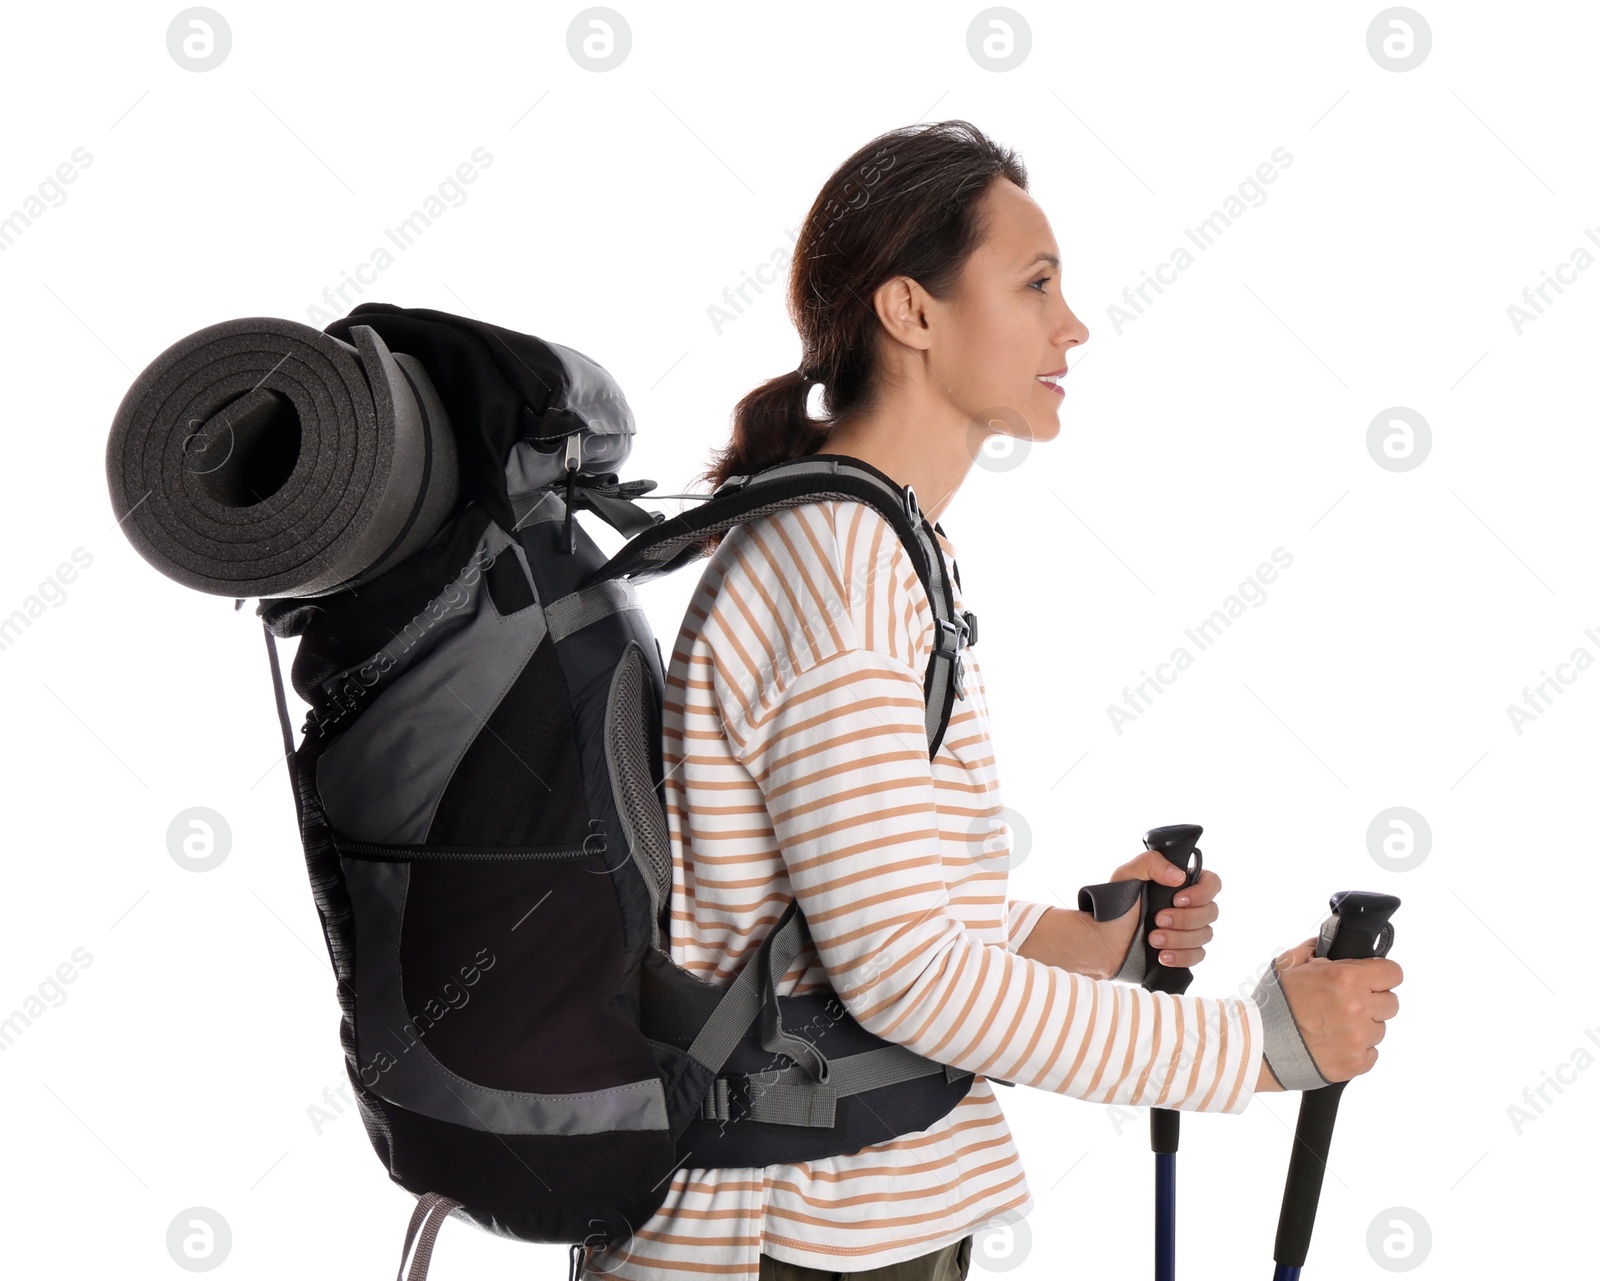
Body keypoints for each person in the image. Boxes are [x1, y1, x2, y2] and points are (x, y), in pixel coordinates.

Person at [582, 119, 1402, 1281]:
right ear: (910, 313)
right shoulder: (840, 573)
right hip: (794, 1240)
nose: (1072, 324)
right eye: (1035, 283)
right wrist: (1255, 1047)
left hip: (848, 1221)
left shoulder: (872, 544)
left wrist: (1073, 942)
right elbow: (907, 976)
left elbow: (859, 916)